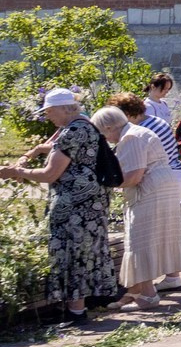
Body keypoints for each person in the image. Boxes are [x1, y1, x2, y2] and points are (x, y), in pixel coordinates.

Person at [1, 89, 116, 317]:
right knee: (84, 250)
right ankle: (78, 308)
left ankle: (76, 312)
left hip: (75, 205)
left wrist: (16, 171)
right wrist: (28, 156)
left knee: (73, 253)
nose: (47, 116)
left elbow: (50, 174)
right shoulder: (82, 124)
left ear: (65, 109)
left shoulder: (72, 132)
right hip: (90, 202)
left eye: (50, 111)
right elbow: (48, 146)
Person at [104, 99, 181, 305]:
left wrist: (105, 185)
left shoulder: (130, 137)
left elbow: (134, 176)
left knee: (140, 240)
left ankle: (147, 295)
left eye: (104, 134)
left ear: (109, 127)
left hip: (149, 191)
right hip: (163, 186)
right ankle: (135, 291)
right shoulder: (136, 131)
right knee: (152, 237)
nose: (107, 140)